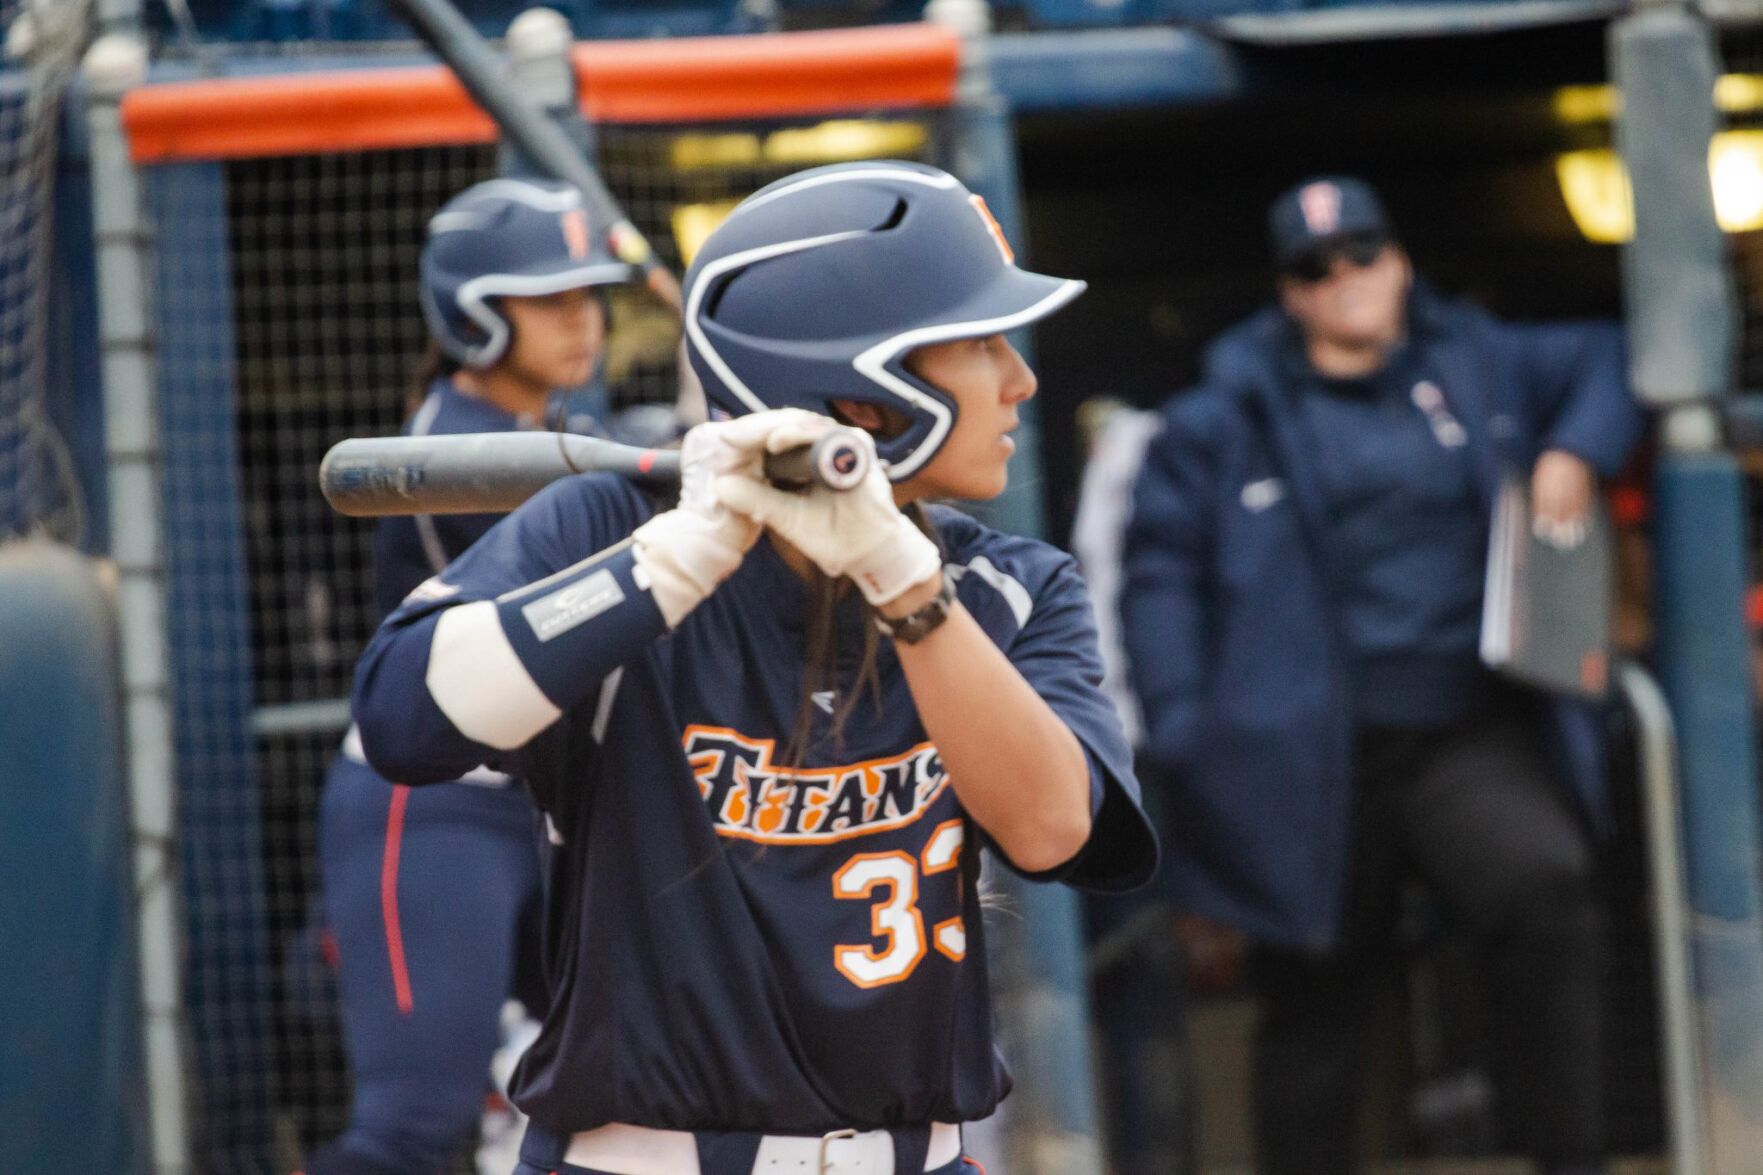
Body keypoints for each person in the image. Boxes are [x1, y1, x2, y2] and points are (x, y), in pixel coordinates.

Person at [350, 159, 1158, 1175]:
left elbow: (1055, 830)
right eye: (980, 343)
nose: (1019, 379)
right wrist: (673, 560)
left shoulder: (1001, 584)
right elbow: (402, 718)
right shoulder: (614, 529)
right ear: (868, 389)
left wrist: (904, 583)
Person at [1120, 176, 1645, 1175]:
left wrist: (1570, 450)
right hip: (1301, 753)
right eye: (1314, 268)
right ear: (1289, 293)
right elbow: (1158, 580)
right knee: (1314, 990)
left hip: (1460, 728)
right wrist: (1185, 734)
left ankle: (1569, 1157)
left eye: (1362, 253)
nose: (1344, 278)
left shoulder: (1475, 360)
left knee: (1545, 889)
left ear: (1398, 261)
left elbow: (1613, 355)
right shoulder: (1218, 416)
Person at [304, 176, 634, 1175]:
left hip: (553, 808)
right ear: (477, 313)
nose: (582, 320)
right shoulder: (444, 443)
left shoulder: (563, 419)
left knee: (613, 1116)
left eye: (588, 294)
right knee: (413, 1126)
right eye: (549, 298)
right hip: (434, 804)